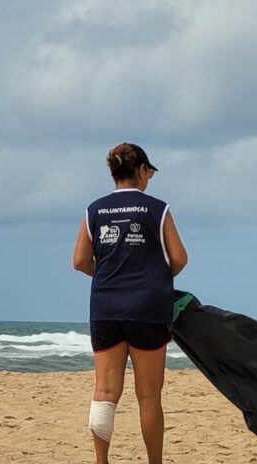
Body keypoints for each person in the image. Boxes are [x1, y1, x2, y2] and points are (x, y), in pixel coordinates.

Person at [73, 143, 188, 464]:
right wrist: (156, 280)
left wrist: (110, 275)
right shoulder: (158, 209)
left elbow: (80, 261)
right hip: (148, 308)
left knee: (105, 393)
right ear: (140, 171)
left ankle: (101, 461)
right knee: (149, 396)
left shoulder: (94, 210)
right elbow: (179, 258)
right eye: (149, 172)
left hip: (106, 306)